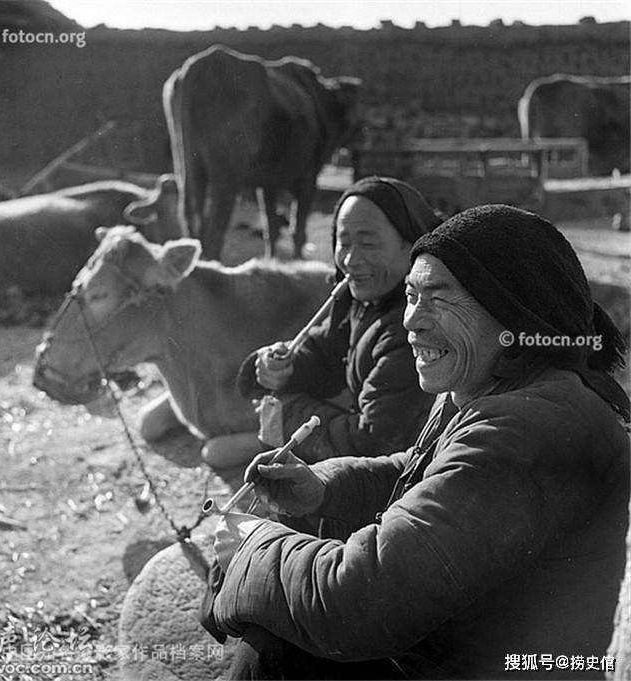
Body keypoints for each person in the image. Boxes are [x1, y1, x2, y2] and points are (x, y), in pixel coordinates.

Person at [204, 204, 630, 679]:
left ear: (511, 308)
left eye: (439, 299)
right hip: (488, 643)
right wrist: (324, 487)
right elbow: (424, 468)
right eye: (411, 295)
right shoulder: (495, 384)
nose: (412, 320)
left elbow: (357, 601)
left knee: (276, 651)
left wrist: (254, 546)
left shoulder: (529, 427)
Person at [202, 176, 442, 468]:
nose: (351, 259)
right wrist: (284, 367)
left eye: (368, 243)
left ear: (412, 247)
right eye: (343, 243)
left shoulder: (414, 328)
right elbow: (327, 351)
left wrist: (285, 414)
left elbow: (374, 443)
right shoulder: (367, 303)